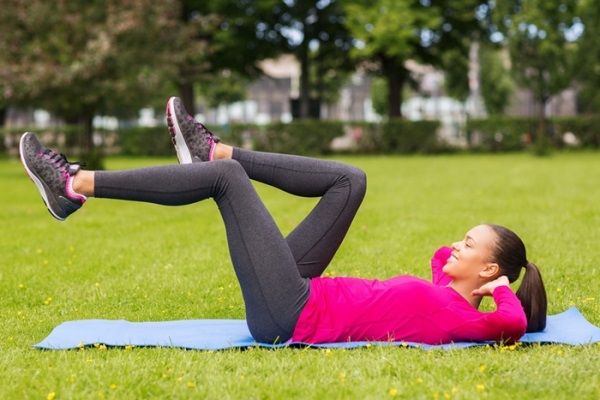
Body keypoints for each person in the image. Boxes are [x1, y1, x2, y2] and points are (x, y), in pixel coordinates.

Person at [19, 97, 547, 345]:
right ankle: (214, 149)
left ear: (490, 269)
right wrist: (476, 276)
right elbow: (440, 262)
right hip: (301, 289)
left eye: (470, 243)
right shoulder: (450, 295)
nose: (456, 244)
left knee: (227, 182)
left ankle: (74, 186)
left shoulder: (472, 320)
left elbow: (512, 324)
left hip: (291, 314)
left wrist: (502, 289)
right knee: (351, 180)